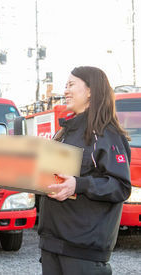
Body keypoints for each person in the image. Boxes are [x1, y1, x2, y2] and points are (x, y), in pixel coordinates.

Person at [38, 66, 131, 275]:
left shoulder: (107, 133)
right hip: (52, 243)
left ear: (91, 90)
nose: (66, 91)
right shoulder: (63, 133)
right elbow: (48, 177)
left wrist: (78, 185)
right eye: (65, 85)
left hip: (83, 251)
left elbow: (121, 187)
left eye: (71, 85)